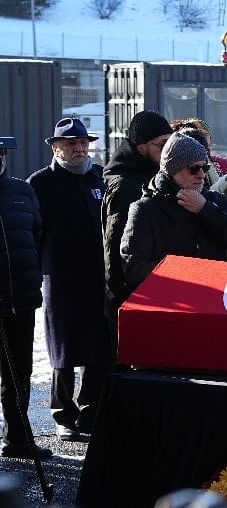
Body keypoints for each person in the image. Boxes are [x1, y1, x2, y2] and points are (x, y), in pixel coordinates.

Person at [27, 118, 109, 443]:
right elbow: (33, 233)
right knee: (63, 349)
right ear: (55, 147)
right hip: (60, 278)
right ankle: (63, 415)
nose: (78, 148)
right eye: (71, 143)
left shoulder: (99, 177)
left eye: (83, 142)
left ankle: (90, 413)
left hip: (98, 277)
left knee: (98, 347)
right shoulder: (41, 183)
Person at [121, 132, 227, 290]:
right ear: (173, 170)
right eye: (194, 169)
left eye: (204, 167)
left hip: (213, 300)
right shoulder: (146, 209)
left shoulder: (215, 201)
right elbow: (134, 267)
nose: (202, 175)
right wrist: (185, 274)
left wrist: (205, 210)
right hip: (173, 304)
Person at [0, 138, 52, 460]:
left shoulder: (21, 191)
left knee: (18, 372)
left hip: (19, 297)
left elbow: (37, 234)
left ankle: (17, 437)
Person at [102, 111, 173, 329]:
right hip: (131, 295)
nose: (167, 152)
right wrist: (122, 297)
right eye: (161, 146)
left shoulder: (156, 177)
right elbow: (114, 249)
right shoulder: (125, 186)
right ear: (141, 147)